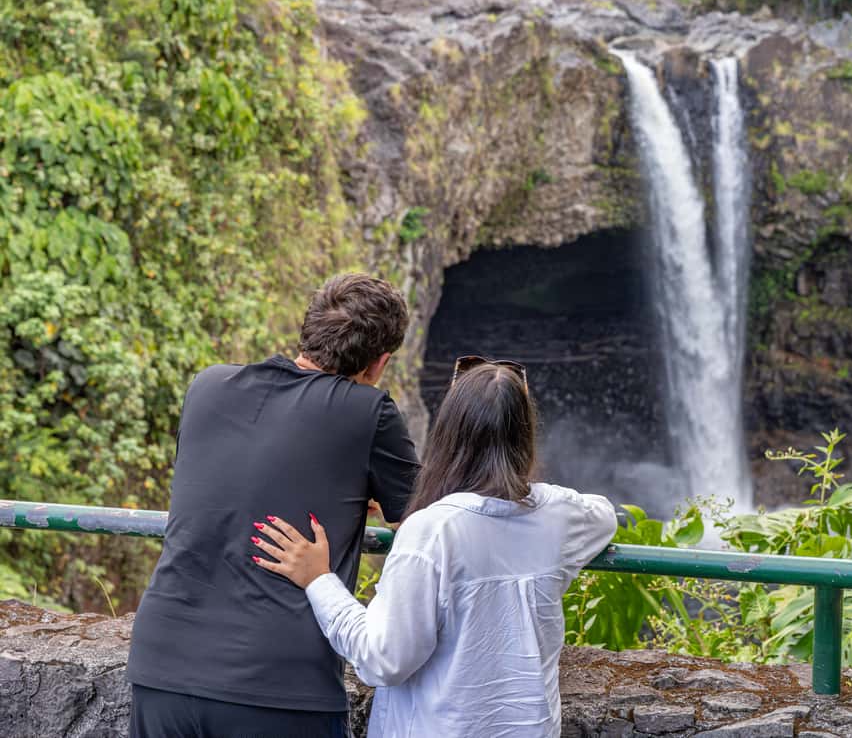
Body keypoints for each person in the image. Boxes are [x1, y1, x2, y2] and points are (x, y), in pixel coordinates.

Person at [250, 357, 619, 738]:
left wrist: (319, 580)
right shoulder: (557, 515)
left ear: (450, 434)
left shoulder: (430, 533)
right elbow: (604, 516)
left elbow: (383, 660)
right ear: (524, 435)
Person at [127, 273, 419, 738]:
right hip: (279, 683)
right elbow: (426, 523)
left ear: (308, 331)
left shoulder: (207, 386)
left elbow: (241, 477)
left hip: (161, 666)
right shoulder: (369, 412)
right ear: (379, 362)